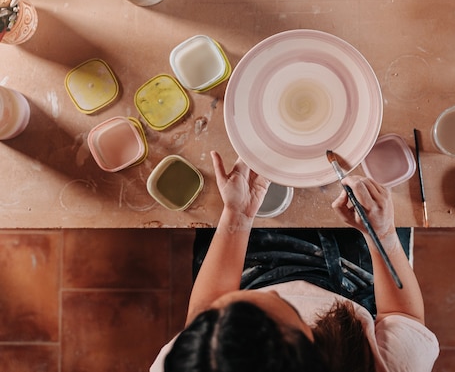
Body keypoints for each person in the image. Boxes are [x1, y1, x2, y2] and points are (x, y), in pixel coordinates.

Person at [150, 151, 439, 372]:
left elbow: (205, 312)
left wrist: (237, 216)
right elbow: (405, 317)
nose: (276, 290)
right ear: (313, 351)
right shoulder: (393, 365)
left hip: (249, 271)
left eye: (214, 316)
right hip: (354, 289)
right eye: (287, 308)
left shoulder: (191, 362)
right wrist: (382, 235)